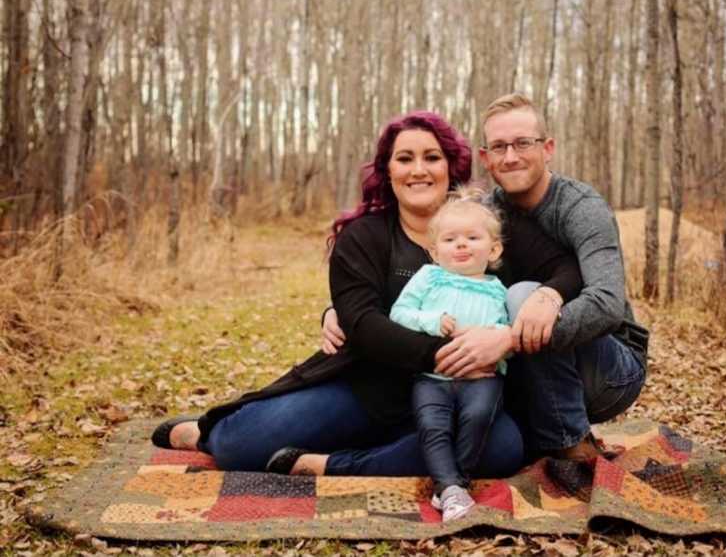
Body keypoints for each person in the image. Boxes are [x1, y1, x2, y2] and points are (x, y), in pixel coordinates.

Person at [151, 111, 581, 485]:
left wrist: (542, 301)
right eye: (405, 158)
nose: (419, 170)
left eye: (432, 157)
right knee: (237, 446)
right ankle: (205, 433)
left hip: (462, 395)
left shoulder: (482, 226)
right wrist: (453, 354)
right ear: (387, 170)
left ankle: (331, 464)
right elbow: (362, 323)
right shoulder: (364, 237)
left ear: (452, 166)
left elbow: (566, 267)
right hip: (368, 389)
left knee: (504, 451)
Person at [323, 94, 649, 463]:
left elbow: (607, 303)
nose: (510, 156)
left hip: (609, 369)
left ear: (548, 148)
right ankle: (535, 438)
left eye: (523, 143)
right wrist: (341, 308)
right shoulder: (487, 212)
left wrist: (514, 331)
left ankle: (567, 441)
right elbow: (442, 278)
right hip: (529, 371)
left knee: (523, 295)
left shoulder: (582, 208)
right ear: (485, 157)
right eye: (499, 146)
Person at [390, 187, 509, 521]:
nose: (461, 244)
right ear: (434, 251)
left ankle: (454, 485)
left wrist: (496, 337)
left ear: (494, 248)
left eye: (472, 237)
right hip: (432, 378)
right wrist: (432, 321)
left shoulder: (497, 289)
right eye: (450, 239)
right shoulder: (428, 277)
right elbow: (399, 314)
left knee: (478, 417)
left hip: (481, 379)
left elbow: (507, 331)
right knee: (433, 425)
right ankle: (453, 489)